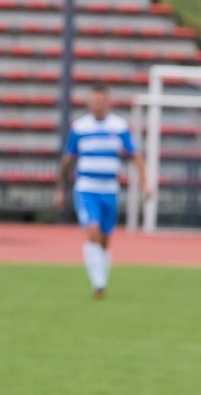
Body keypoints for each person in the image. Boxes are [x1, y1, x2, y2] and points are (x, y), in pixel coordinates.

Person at [55, 84, 148, 299]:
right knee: (93, 232)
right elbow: (67, 160)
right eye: (93, 101)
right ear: (89, 103)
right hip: (86, 188)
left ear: (108, 102)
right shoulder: (79, 128)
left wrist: (145, 181)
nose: (97, 104)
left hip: (110, 190)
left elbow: (135, 154)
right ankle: (98, 284)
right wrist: (61, 189)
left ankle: (102, 280)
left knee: (105, 238)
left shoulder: (119, 126)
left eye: (100, 101)